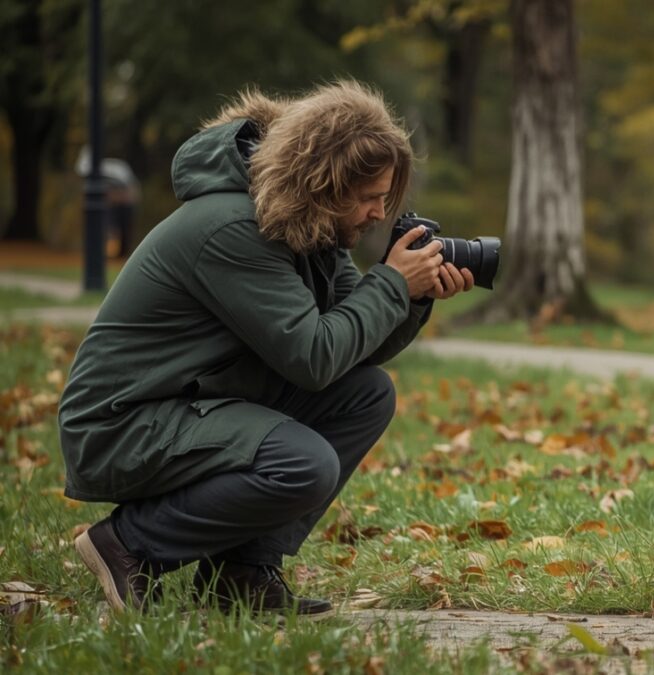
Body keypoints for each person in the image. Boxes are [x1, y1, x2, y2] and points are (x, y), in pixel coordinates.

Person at [59, 80, 474, 617]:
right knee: (303, 464)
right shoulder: (234, 228)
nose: (377, 213)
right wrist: (393, 283)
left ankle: (243, 574)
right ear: (326, 182)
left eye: (384, 199)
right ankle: (128, 545)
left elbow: (353, 351)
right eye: (370, 198)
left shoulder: (308, 225)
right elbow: (314, 356)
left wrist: (413, 297)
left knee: (366, 394)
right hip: (121, 423)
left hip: (193, 402)